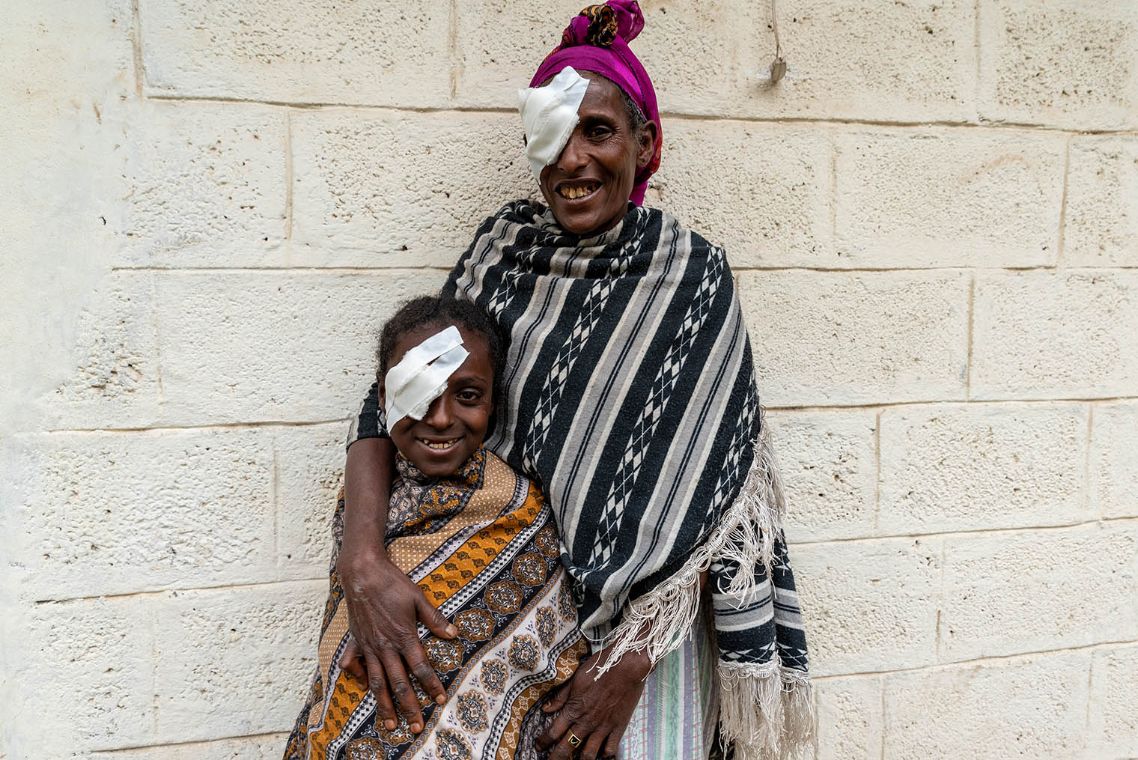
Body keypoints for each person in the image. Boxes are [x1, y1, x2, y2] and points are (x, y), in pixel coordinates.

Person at [336, 2, 813, 758]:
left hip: (641, 652)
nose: (574, 160)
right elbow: (388, 401)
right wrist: (361, 563)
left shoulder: (692, 279)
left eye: (600, 131)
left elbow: (722, 504)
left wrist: (627, 663)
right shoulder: (501, 253)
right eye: (555, 134)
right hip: (499, 621)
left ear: (645, 143)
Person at [285, 296, 586, 759]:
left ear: (492, 402)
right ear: (384, 399)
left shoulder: (520, 512)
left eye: (467, 396)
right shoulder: (364, 500)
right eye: (419, 393)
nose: (442, 418)